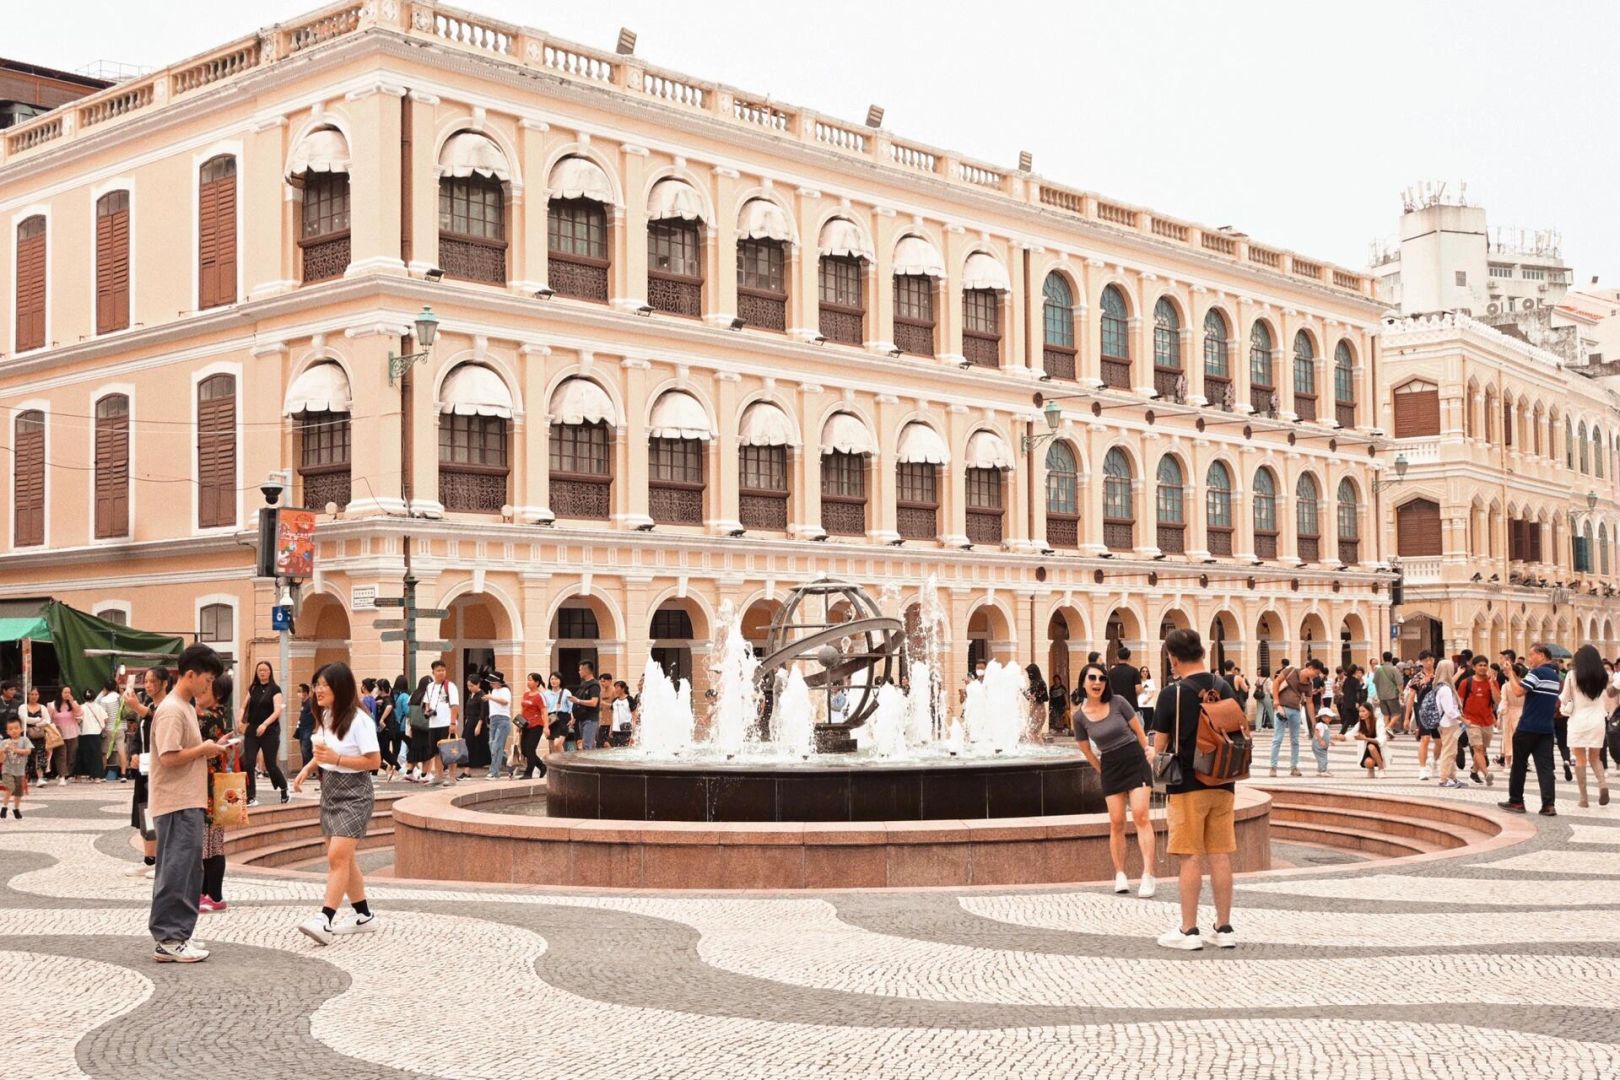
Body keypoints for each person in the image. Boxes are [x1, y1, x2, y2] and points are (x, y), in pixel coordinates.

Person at [1149, 628, 1238, 951]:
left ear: (1173, 658)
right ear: (1202, 651)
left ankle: (1189, 930)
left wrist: (1151, 754)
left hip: (1187, 784)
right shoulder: (1223, 686)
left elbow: (1160, 745)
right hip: (1223, 781)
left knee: (1189, 858)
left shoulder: (1172, 693)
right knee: (1220, 855)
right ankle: (1224, 928)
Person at [148, 643, 227, 963]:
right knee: (176, 870)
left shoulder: (184, 706)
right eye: (207, 680)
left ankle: (178, 935)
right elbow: (168, 757)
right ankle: (168, 937)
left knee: (186, 870)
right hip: (175, 802)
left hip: (186, 800)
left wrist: (209, 747)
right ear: (190, 675)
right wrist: (204, 750)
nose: (209, 686)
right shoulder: (172, 710)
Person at [293, 662, 382, 945]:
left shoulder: (360, 720)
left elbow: (374, 761)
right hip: (330, 790)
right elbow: (324, 752)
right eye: (316, 684)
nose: (317, 690)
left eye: (323, 685)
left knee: (337, 857)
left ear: (339, 688)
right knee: (345, 857)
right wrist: (308, 769)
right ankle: (364, 916)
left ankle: (324, 919)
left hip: (355, 794)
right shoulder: (328, 715)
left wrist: (338, 760)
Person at [1071, 661, 1156, 898]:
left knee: (1140, 815)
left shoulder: (1118, 702)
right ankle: (1120, 874)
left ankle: (1148, 874)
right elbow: (1086, 750)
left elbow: (1139, 731)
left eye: (1102, 678)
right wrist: (1102, 770)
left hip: (1134, 758)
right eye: (1092, 678)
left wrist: (1148, 751)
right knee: (1117, 821)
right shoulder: (1079, 717)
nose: (1098, 683)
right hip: (1111, 765)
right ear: (1084, 683)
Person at [1500, 643, 1561, 816]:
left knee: (1519, 764)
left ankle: (1516, 801)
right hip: (1546, 728)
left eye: (1531, 655)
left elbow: (1519, 691)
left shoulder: (1538, 672)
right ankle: (1548, 805)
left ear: (1541, 655)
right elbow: (1528, 688)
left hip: (1528, 726)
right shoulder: (1554, 676)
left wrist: (1511, 673)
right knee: (1545, 768)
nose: (1529, 659)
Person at [196, 673, 234, 913]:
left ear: (217, 694)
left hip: (208, 788)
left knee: (209, 845)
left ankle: (213, 895)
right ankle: (207, 894)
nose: (200, 692)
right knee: (211, 844)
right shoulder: (219, 715)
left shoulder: (209, 717)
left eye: (206, 688)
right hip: (213, 786)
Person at [1559, 644, 1613, 808]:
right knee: (1595, 757)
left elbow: (1565, 697)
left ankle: (1584, 799)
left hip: (1578, 720)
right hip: (1598, 719)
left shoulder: (1571, 675)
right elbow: (1612, 690)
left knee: (1580, 758)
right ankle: (1602, 784)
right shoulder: (1603, 675)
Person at [122, 671, 162, 879]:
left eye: (152, 681)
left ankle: (162, 861)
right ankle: (149, 860)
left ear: (164, 683)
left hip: (162, 769)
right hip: (144, 769)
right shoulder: (148, 705)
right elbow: (138, 735)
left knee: (158, 814)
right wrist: (135, 753)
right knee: (144, 811)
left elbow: (158, 719)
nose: (148, 685)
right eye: (145, 681)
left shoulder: (167, 706)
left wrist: (138, 707)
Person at [237, 661, 288, 806]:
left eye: (265, 670)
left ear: (270, 672)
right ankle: (251, 796)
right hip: (252, 730)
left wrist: (265, 724)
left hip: (270, 731)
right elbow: (243, 706)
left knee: (271, 765)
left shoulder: (275, 689)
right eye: (260, 670)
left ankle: (284, 788)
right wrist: (240, 720)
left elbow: (277, 710)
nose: (262, 672)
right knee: (249, 762)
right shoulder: (253, 688)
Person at [1458, 655, 1498, 787]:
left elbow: (1498, 701)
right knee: (1478, 748)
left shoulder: (1492, 682)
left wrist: (1492, 683)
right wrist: (1462, 719)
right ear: (1474, 667)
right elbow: (1459, 702)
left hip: (1487, 720)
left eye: (1485, 665)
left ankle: (1473, 772)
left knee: (1482, 750)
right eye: (1480, 665)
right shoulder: (1466, 683)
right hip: (1471, 721)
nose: (1483, 667)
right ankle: (1487, 774)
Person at [422, 661, 460, 786]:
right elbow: (427, 703)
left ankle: (452, 777)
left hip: (447, 722)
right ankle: (439, 776)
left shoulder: (450, 686)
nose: (441, 672)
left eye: (443, 670)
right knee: (436, 752)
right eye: (438, 670)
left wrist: (453, 723)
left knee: (450, 750)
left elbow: (455, 705)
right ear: (433, 672)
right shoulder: (430, 687)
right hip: (434, 723)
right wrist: (427, 710)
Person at [1268, 658, 1306, 777]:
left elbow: (1307, 700)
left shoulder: (1308, 681)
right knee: (1277, 739)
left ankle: (1294, 767)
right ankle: (1273, 767)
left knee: (1295, 740)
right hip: (1282, 708)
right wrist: (1276, 701)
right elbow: (1276, 683)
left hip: (1296, 710)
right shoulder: (1290, 671)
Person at [1431, 659, 1465, 789]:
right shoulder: (1445, 689)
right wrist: (1463, 719)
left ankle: (1452, 777)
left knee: (1452, 750)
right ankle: (1444, 779)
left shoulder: (1442, 686)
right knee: (1449, 751)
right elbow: (1449, 711)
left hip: (1450, 724)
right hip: (1449, 724)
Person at [518, 672, 549, 780]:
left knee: (530, 748)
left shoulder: (540, 696)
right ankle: (541, 766)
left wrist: (546, 727)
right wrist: (519, 724)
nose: (528, 682)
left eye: (531, 680)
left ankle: (529, 772)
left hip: (536, 725)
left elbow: (544, 711)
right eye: (528, 680)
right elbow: (523, 710)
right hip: (525, 725)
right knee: (524, 750)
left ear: (537, 682)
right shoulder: (525, 695)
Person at [1, 714, 32, 819]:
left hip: (20, 771)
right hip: (7, 770)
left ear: (21, 729)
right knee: (10, 787)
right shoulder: (4, 742)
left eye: (16, 728)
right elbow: (1, 759)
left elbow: (28, 751)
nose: (13, 731)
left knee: (18, 792)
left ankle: (16, 808)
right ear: (7, 731)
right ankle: (4, 807)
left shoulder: (25, 740)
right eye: (10, 729)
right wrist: (3, 751)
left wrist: (15, 750)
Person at [76, 686, 108, 782]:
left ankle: (79, 776)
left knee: (82, 754)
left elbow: (78, 720)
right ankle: (97, 776)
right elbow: (105, 719)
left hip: (84, 733)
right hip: (96, 733)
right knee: (96, 755)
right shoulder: (99, 707)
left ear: (84, 697)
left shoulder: (81, 707)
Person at [50, 686, 81, 786]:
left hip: (72, 732)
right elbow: (49, 719)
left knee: (72, 754)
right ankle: (62, 776)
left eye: (69, 692)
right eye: (65, 692)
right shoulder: (52, 705)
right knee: (61, 754)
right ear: (60, 693)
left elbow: (79, 712)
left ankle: (67, 773)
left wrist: (72, 702)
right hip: (59, 733)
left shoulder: (73, 703)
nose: (67, 694)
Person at [485, 672, 513, 779]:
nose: (491, 685)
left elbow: (505, 702)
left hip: (503, 719)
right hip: (493, 719)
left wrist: (491, 697)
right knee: (492, 744)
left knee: (497, 745)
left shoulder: (505, 690)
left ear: (498, 682)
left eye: (492, 682)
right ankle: (510, 765)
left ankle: (494, 772)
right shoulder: (494, 691)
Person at [462, 674, 489, 780]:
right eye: (468, 686)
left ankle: (467, 770)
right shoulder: (471, 695)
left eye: (472, 686)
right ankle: (466, 769)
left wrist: (479, 725)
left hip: (476, 722)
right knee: (466, 744)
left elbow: (483, 712)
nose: (470, 688)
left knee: (470, 745)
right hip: (469, 722)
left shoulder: (482, 695)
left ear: (478, 684)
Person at [373, 674, 399, 783]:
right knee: (382, 751)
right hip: (384, 730)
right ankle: (389, 768)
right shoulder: (382, 699)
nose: (376, 689)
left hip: (386, 729)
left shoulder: (387, 699)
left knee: (383, 751)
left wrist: (382, 720)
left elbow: (389, 707)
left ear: (382, 689)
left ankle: (398, 768)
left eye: (377, 687)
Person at [573, 661, 602, 750]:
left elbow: (594, 702)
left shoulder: (594, 685)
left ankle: (588, 763)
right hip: (581, 718)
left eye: (580, 670)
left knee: (587, 745)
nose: (579, 672)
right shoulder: (584, 684)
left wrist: (578, 700)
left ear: (586, 670)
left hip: (590, 719)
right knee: (587, 745)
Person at [543, 673, 574, 753]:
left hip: (563, 718)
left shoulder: (566, 692)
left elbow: (571, 706)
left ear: (560, 680)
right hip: (551, 719)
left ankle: (563, 761)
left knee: (557, 743)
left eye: (556, 679)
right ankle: (556, 764)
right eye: (552, 679)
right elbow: (544, 709)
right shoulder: (546, 693)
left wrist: (572, 717)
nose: (554, 681)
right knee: (551, 745)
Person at [1373, 653, 1402, 735]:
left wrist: (1378, 694)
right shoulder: (1394, 669)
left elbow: (1375, 682)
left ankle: (1388, 733)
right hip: (1392, 695)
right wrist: (1402, 694)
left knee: (1386, 714)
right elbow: (1399, 683)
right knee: (1397, 713)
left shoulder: (1378, 670)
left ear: (1383, 658)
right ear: (1391, 658)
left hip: (1381, 696)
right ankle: (1388, 727)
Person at [1354, 702, 1385, 778]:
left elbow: (1381, 739)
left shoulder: (1378, 722)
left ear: (1370, 712)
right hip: (1366, 751)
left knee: (1371, 746)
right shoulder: (1360, 724)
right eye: (1360, 711)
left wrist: (1365, 738)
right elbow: (1351, 734)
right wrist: (1341, 737)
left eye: (1363, 711)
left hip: (1378, 748)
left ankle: (1381, 769)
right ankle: (1371, 769)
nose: (1361, 714)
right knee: (1368, 762)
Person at [1108, 647, 1142, 715]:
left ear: (1117, 657)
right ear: (1129, 658)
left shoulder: (1111, 672)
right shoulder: (1134, 671)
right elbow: (1138, 689)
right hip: (1131, 705)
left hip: (1115, 706)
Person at [294, 684, 316, 771]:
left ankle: (310, 769)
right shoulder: (303, 703)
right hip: (302, 729)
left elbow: (315, 716)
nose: (298, 693)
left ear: (306, 692)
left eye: (300, 691)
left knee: (305, 748)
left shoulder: (310, 703)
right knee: (303, 749)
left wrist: (315, 728)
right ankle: (306, 768)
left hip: (309, 729)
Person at [609, 680, 635, 747]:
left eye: (617, 687)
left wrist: (634, 730)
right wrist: (611, 728)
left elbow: (634, 715)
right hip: (615, 729)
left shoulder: (629, 699)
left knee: (625, 749)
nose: (616, 690)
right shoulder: (614, 701)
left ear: (623, 688)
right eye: (615, 688)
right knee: (616, 749)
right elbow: (612, 716)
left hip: (626, 728)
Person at [1310, 707, 1334, 776]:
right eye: (1328, 717)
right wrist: (1321, 740)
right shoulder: (1320, 724)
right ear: (1323, 717)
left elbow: (1326, 736)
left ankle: (1321, 769)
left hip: (1323, 746)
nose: (1330, 719)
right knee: (1323, 758)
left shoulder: (1325, 725)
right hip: (1318, 745)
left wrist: (1330, 741)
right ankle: (1323, 770)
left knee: (1322, 757)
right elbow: (1316, 731)